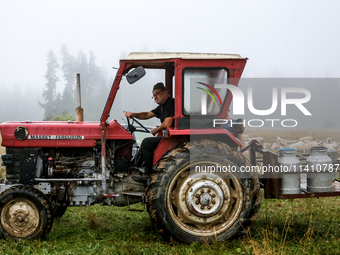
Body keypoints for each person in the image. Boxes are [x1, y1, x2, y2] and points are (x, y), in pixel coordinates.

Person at [125, 82, 174, 183]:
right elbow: (147, 114)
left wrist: (156, 129)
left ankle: (148, 174)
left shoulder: (171, 103)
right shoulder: (161, 106)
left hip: (172, 137)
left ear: (165, 92)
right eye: (153, 96)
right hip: (168, 135)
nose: (155, 97)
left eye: (157, 94)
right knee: (146, 143)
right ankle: (135, 167)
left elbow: (168, 123)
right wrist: (132, 114)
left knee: (147, 143)